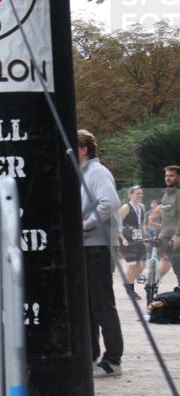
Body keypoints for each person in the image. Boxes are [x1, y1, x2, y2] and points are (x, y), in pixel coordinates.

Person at [78, 130, 124, 378]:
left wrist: (85, 224)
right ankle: (92, 355)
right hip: (90, 247)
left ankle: (113, 359)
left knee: (102, 304)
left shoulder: (96, 172)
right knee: (89, 305)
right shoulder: (86, 173)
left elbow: (111, 202)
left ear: (84, 149)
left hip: (97, 247)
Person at [118, 185, 147, 299]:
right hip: (127, 238)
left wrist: (145, 237)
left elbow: (142, 224)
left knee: (142, 265)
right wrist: (123, 239)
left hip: (138, 237)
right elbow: (117, 225)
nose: (140, 195)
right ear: (130, 194)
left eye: (141, 193)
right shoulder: (126, 207)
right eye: (137, 193)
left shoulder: (142, 207)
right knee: (133, 265)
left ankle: (127, 283)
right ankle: (130, 291)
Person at [156, 165, 180, 288]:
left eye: (171, 175)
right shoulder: (165, 195)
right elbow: (166, 217)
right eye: (166, 175)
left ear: (178, 178)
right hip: (167, 236)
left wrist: (178, 235)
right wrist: (162, 231)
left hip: (176, 237)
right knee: (173, 264)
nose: (168, 178)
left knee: (178, 265)